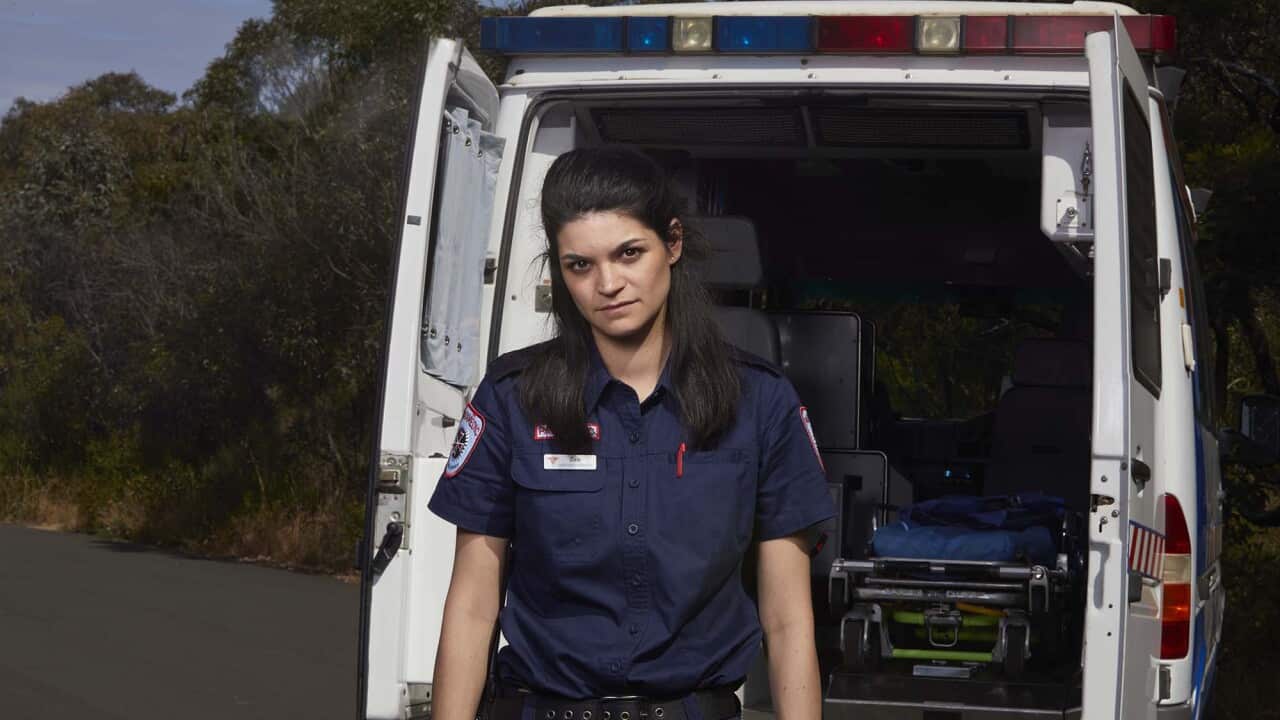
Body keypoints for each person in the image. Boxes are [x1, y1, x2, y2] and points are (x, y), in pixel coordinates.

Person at [427, 147, 836, 720]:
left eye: (629, 253)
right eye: (580, 265)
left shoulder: (760, 402)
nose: (608, 283)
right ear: (559, 271)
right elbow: (472, 604)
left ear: (671, 244)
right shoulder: (510, 397)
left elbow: (788, 619)